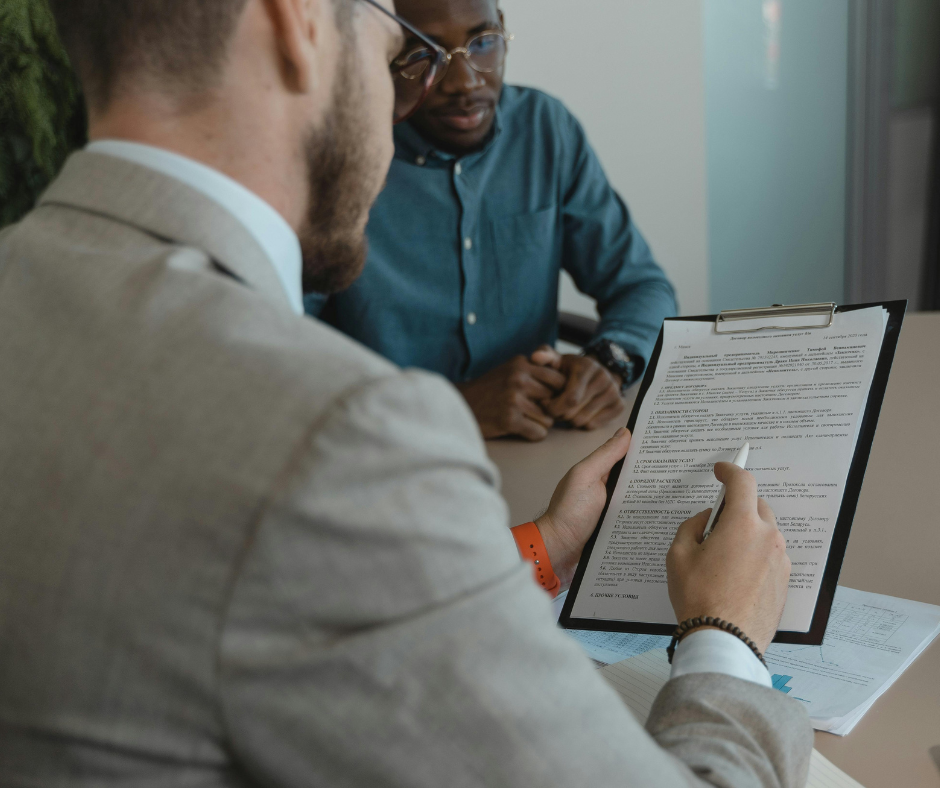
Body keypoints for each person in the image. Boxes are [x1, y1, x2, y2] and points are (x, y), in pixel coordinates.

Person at [0, 0, 811, 786]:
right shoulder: (338, 435)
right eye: (399, 46)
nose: (427, 80)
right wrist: (724, 630)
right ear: (298, 20)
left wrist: (540, 546)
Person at [305, 0, 678, 442]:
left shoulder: (545, 129)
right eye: (425, 53)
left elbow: (642, 287)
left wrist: (609, 360)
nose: (465, 82)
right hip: (389, 449)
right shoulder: (337, 158)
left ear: (503, 30)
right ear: (382, 52)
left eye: (483, 43)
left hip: (538, 443)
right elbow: (279, 352)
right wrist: (454, 406)